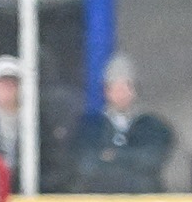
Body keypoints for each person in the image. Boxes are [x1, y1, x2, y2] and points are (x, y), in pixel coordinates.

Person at [71, 54, 175, 194]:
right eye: (115, 87)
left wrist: (113, 155)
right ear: (106, 91)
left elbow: (151, 160)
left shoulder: (152, 126)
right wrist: (130, 158)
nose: (121, 93)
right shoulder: (90, 126)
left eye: (126, 86)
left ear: (134, 90)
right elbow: (85, 165)